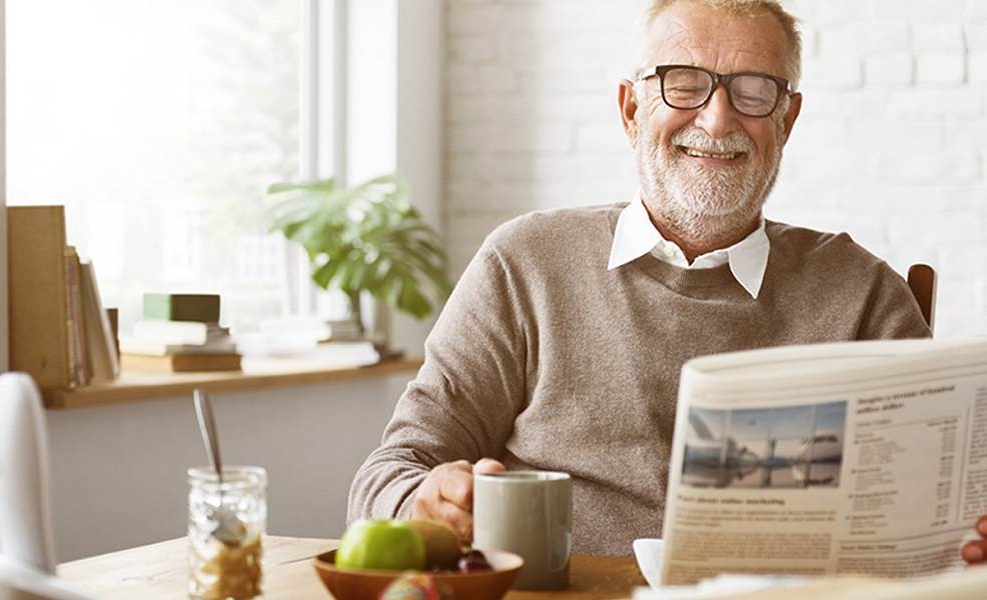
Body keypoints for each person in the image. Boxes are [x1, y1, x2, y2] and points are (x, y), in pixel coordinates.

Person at [348, 0, 987, 561]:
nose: (716, 120)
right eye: (683, 84)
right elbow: (387, 477)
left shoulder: (863, 295)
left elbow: (944, 507)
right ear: (631, 109)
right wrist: (422, 502)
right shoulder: (525, 263)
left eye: (754, 91)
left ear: (786, 121)